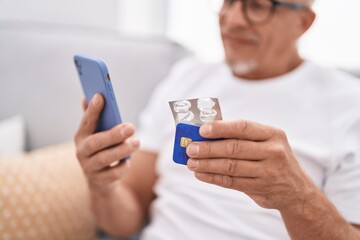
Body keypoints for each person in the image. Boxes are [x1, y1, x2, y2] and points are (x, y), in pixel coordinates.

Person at [74, 0, 360, 239]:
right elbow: (126, 219)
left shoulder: (349, 105)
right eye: (228, 1)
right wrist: (102, 184)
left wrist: (296, 196)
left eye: (257, 6)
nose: (233, 19)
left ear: (303, 22)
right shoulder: (184, 77)